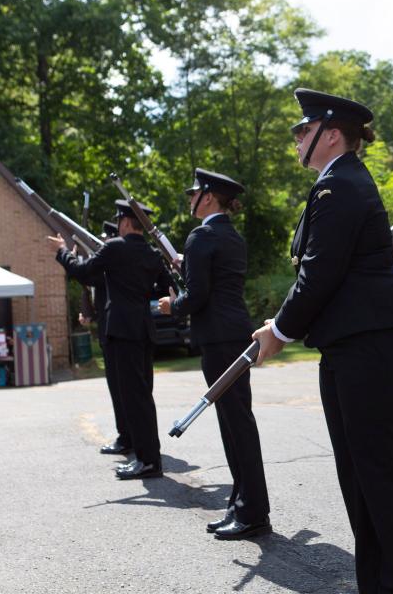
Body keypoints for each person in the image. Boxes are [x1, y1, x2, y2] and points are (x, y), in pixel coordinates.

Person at [252, 89, 393, 593]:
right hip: (355, 343)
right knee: (360, 476)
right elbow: (321, 272)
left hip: (372, 344)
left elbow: (319, 273)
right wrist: (283, 321)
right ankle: (378, 583)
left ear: (330, 134)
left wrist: (280, 332)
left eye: (301, 131)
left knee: (379, 474)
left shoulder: (339, 186)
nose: (296, 140)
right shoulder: (337, 184)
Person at [158, 168, 271, 541]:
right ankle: (243, 505)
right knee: (237, 423)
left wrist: (171, 305)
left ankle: (252, 512)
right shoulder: (228, 236)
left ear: (207, 196)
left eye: (194, 193)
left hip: (220, 340)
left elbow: (197, 297)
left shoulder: (201, 236)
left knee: (236, 426)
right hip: (233, 335)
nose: (190, 198)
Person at [49, 201, 170, 480]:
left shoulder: (116, 247)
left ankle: (148, 461)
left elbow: (83, 272)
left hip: (122, 331)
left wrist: (62, 252)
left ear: (126, 222)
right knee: (140, 397)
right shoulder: (152, 254)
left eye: (119, 221)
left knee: (134, 398)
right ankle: (145, 456)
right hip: (142, 329)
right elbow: (165, 286)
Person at [77, 220, 132, 456]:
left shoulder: (113, 263)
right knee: (117, 388)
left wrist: (75, 259)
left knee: (122, 390)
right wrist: (89, 313)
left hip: (116, 332)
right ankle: (128, 435)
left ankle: (127, 436)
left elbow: (88, 276)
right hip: (107, 329)